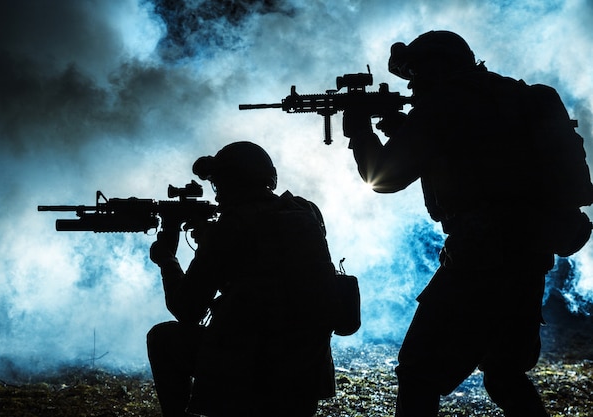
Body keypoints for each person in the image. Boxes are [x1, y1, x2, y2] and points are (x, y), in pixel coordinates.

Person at [342, 30, 593, 416]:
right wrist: (408, 129)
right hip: (531, 252)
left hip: (480, 257)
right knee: (504, 371)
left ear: (435, 67)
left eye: (416, 74)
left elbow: (384, 178)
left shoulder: (445, 103)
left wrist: (361, 130)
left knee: (419, 374)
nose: (413, 84)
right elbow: (479, 155)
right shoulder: (510, 96)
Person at [146, 141, 337, 417]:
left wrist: (167, 260)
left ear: (231, 183)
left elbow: (186, 309)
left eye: (219, 184)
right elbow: (269, 277)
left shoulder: (232, 227)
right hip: (307, 371)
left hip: (251, 367)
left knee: (163, 339)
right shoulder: (306, 212)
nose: (218, 196)